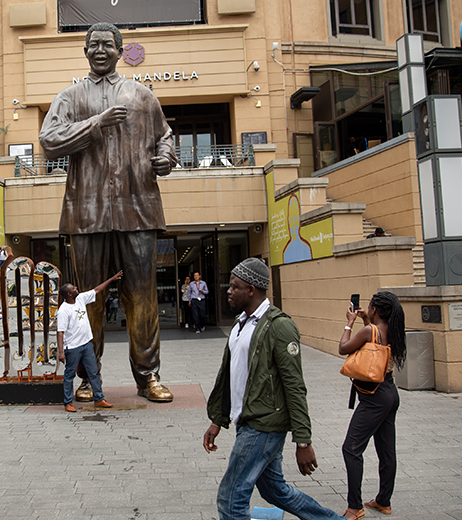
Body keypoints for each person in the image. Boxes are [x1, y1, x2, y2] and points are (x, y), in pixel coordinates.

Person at [39, 22, 177, 403]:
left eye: (107, 44)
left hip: (138, 207)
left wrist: (166, 155)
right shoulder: (70, 96)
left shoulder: (142, 95)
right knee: (86, 301)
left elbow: (164, 136)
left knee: (143, 295)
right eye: (93, 44)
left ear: (119, 50)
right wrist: (95, 123)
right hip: (87, 211)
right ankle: (87, 377)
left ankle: (148, 376)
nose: (100, 50)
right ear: (85, 51)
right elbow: (49, 141)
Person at [204, 258, 345, 520]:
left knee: (231, 496)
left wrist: (303, 441)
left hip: (263, 426)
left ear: (251, 290)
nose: (228, 290)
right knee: (275, 491)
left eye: (234, 286)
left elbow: (294, 386)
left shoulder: (280, 326)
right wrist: (217, 420)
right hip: (246, 421)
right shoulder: (240, 323)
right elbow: (230, 376)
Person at [338, 292, 406, 520]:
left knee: (351, 448)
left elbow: (344, 348)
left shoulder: (370, 331)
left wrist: (349, 323)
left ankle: (355, 507)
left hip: (374, 398)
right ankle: (383, 502)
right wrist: (367, 320)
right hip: (389, 393)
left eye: (370, 307)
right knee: (386, 451)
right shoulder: (393, 330)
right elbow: (375, 347)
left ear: (375, 309)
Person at [57, 271, 123, 412]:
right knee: (69, 375)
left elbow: (97, 290)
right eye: (73, 288)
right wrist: (61, 352)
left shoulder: (80, 299)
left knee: (93, 372)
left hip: (86, 344)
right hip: (73, 347)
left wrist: (111, 278)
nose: (76, 289)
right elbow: (60, 332)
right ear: (69, 294)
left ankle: (99, 399)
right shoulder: (63, 310)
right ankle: (68, 402)